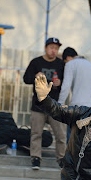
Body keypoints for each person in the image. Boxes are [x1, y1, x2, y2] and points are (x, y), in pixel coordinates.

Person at [23, 37, 66, 170]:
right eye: (51, 47)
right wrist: (35, 76)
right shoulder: (36, 62)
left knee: (61, 135)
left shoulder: (61, 64)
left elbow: (67, 83)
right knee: (36, 133)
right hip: (38, 105)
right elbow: (26, 79)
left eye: (56, 48)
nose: (54, 50)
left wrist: (60, 83)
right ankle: (36, 158)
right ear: (46, 48)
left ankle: (62, 159)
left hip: (54, 106)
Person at [58, 47, 91, 142]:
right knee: (89, 138)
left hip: (77, 107)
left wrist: (60, 104)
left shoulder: (70, 64)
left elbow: (66, 87)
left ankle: (72, 157)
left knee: (73, 139)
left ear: (67, 58)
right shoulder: (90, 65)